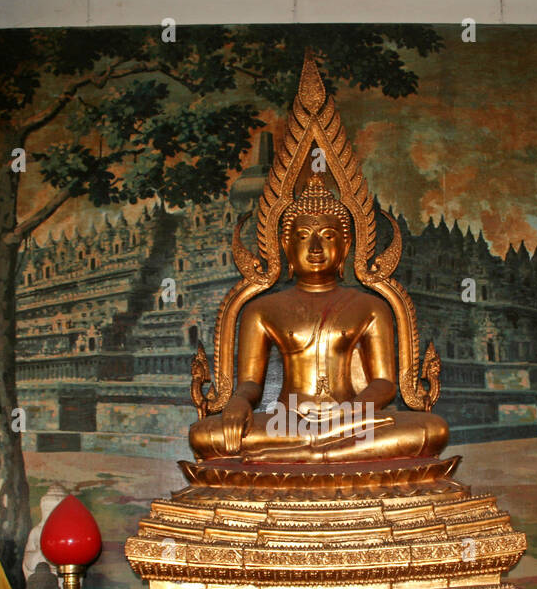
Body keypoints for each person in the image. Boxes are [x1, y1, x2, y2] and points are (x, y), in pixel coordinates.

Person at [187, 175, 448, 463]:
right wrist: (238, 402)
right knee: (204, 435)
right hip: (288, 421)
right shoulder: (260, 309)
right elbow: (250, 383)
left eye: (328, 235)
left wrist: (347, 414)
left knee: (431, 429)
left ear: (346, 247)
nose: (314, 247)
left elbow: (384, 384)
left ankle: (300, 455)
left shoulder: (371, 306)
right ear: (286, 247)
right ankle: (320, 452)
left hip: (352, 419)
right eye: (302, 236)